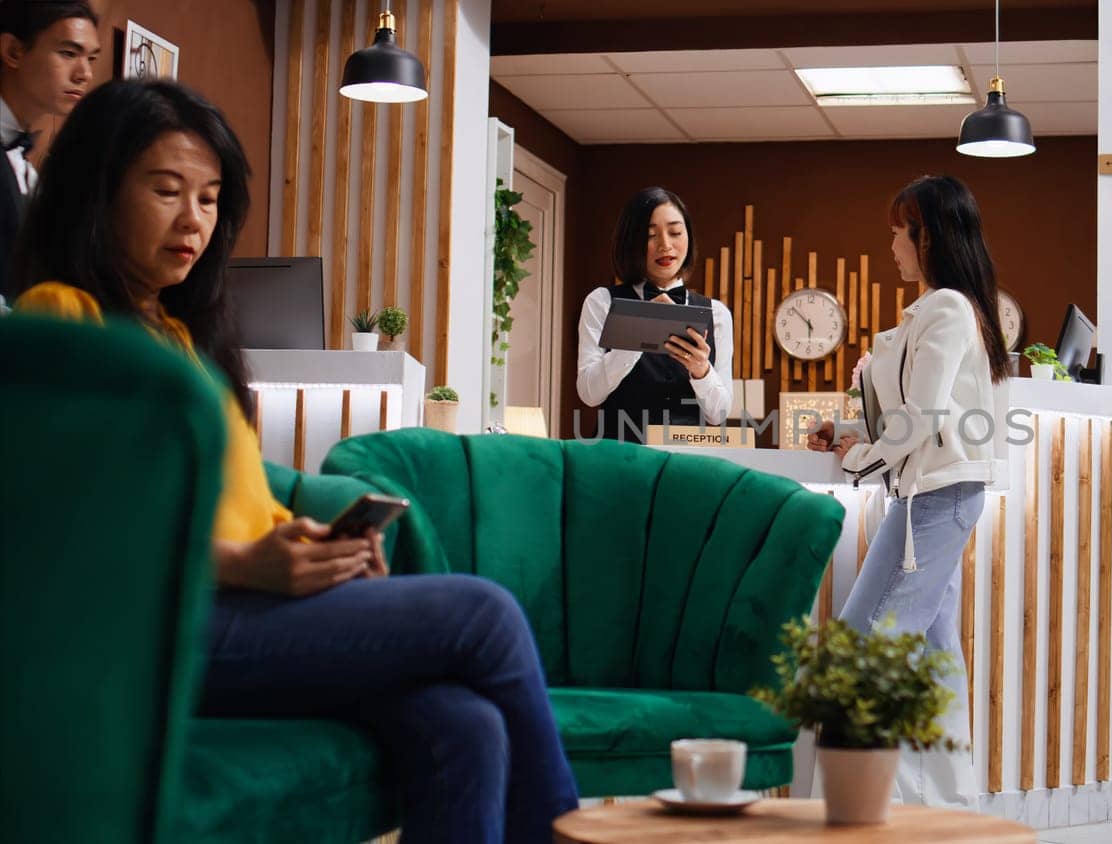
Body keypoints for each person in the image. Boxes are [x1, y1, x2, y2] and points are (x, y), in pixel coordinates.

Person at [14, 80, 578, 844]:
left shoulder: (183, 339)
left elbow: (245, 507)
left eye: (210, 199)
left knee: (465, 723)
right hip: (174, 625)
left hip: (248, 610)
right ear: (97, 193)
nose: (194, 221)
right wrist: (244, 564)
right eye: (166, 190)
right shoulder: (62, 315)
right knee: (486, 613)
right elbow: (70, 537)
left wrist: (321, 548)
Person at [807, 175, 1010, 809]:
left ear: (930, 237)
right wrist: (847, 432)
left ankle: (854, 812)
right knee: (932, 658)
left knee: (863, 654)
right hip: (936, 497)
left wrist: (860, 458)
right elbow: (925, 415)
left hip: (935, 501)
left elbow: (919, 420)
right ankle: (948, 810)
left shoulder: (946, 308)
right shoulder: (943, 309)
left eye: (901, 230)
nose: (892, 242)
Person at [576, 186, 732, 442]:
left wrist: (701, 369)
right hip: (619, 457)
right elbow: (589, 393)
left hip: (686, 461)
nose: (665, 245)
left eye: (675, 232)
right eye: (650, 235)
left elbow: (720, 413)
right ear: (631, 242)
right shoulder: (602, 302)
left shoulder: (717, 314)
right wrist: (637, 335)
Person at [0, 0, 98, 302]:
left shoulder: (26, 162)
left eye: (91, 59)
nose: (85, 74)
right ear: (13, 51)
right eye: (68, 53)